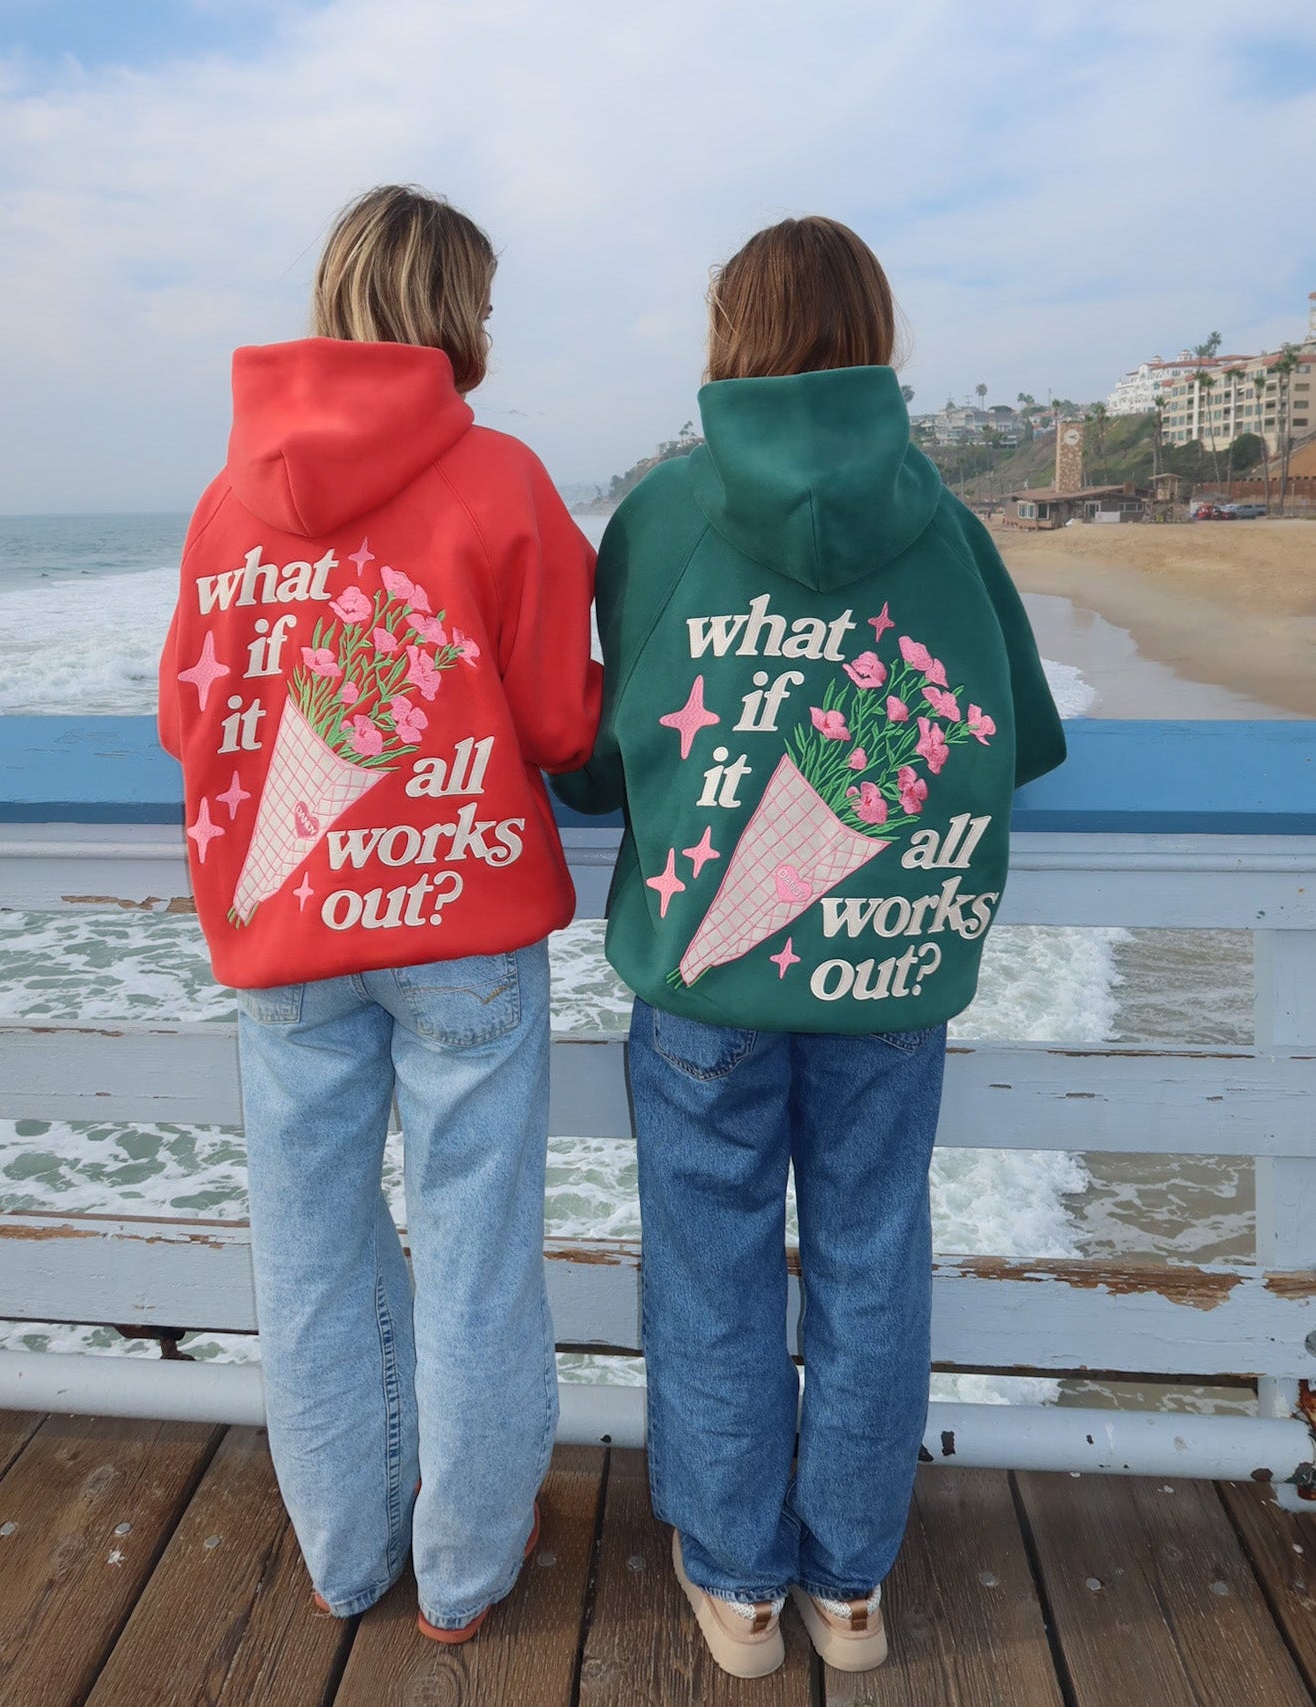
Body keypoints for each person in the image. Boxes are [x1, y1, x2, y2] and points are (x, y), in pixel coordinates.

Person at [555, 216, 1065, 1678]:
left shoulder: (660, 512)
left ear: (729, 332)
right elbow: (1017, 734)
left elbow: (596, 764)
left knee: (709, 1266)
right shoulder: (948, 520)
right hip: (889, 971)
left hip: (707, 977)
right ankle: (848, 1585)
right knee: (869, 1251)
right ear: (878, 331)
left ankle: (738, 1582)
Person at [159, 185, 601, 1640]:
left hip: (286, 938)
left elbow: (187, 717)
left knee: (309, 1256)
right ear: (451, 309)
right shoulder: (502, 478)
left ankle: (350, 1557)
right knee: (474, 1253)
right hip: (461, 928)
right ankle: (467, 1569)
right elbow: (554, 720)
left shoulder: (228, 502)